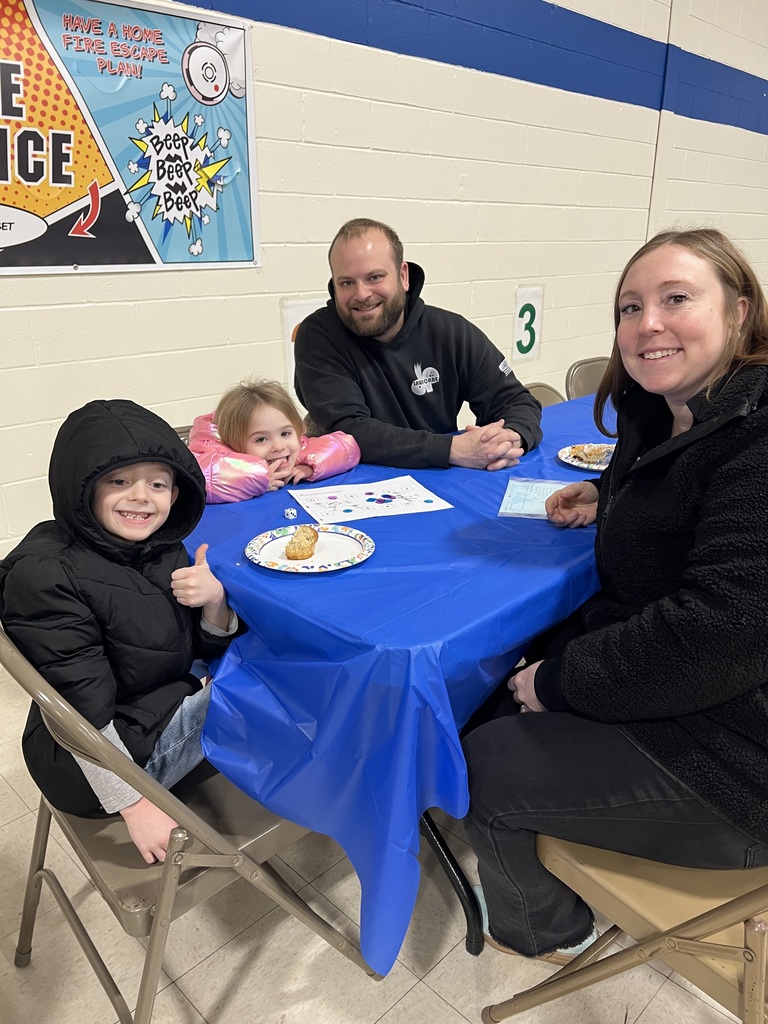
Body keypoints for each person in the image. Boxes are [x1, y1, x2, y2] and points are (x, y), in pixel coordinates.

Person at [462, 228, 768, 963]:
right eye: (630, 306)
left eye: (675, 299)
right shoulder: (672, 411)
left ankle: (548, 933)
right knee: (491, 700)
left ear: (739, 311)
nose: (646, 323)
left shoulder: (757, 440)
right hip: (700, 694)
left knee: (482, 766)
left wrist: (562, 682)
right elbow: (688, 486)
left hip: (741, 762)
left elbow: (717, 631)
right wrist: (608, 494)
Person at [0, 399, 240, 864]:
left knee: (267, 665)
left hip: (148, 701)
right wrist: (133, 803)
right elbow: (79, 708)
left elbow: (197, 645)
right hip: (100, 761)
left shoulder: (154, 545)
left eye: (157, 483)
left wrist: (213, 601)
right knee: (283, 686)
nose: (141, 497)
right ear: (82, 487)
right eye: (119, 481)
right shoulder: (46, 575)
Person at [293, 217, 542, 470]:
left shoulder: (450, 332)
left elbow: (515, 401)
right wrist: (452, 450)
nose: (361, 294)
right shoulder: (318, 336)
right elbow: (349, 430)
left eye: (375, 277)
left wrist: (510, 437)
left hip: (438, 481)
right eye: (346, 282)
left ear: (403, 276)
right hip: (354, 487)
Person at [189, 379, 360, 503]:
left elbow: (346, 446)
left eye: (285, 433)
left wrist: (310, 465)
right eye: (261, 439)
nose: (278, 446)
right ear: (233, 444)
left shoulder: (300, 446)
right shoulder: (215, 454)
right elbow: (200, 477)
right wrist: (258, 477)